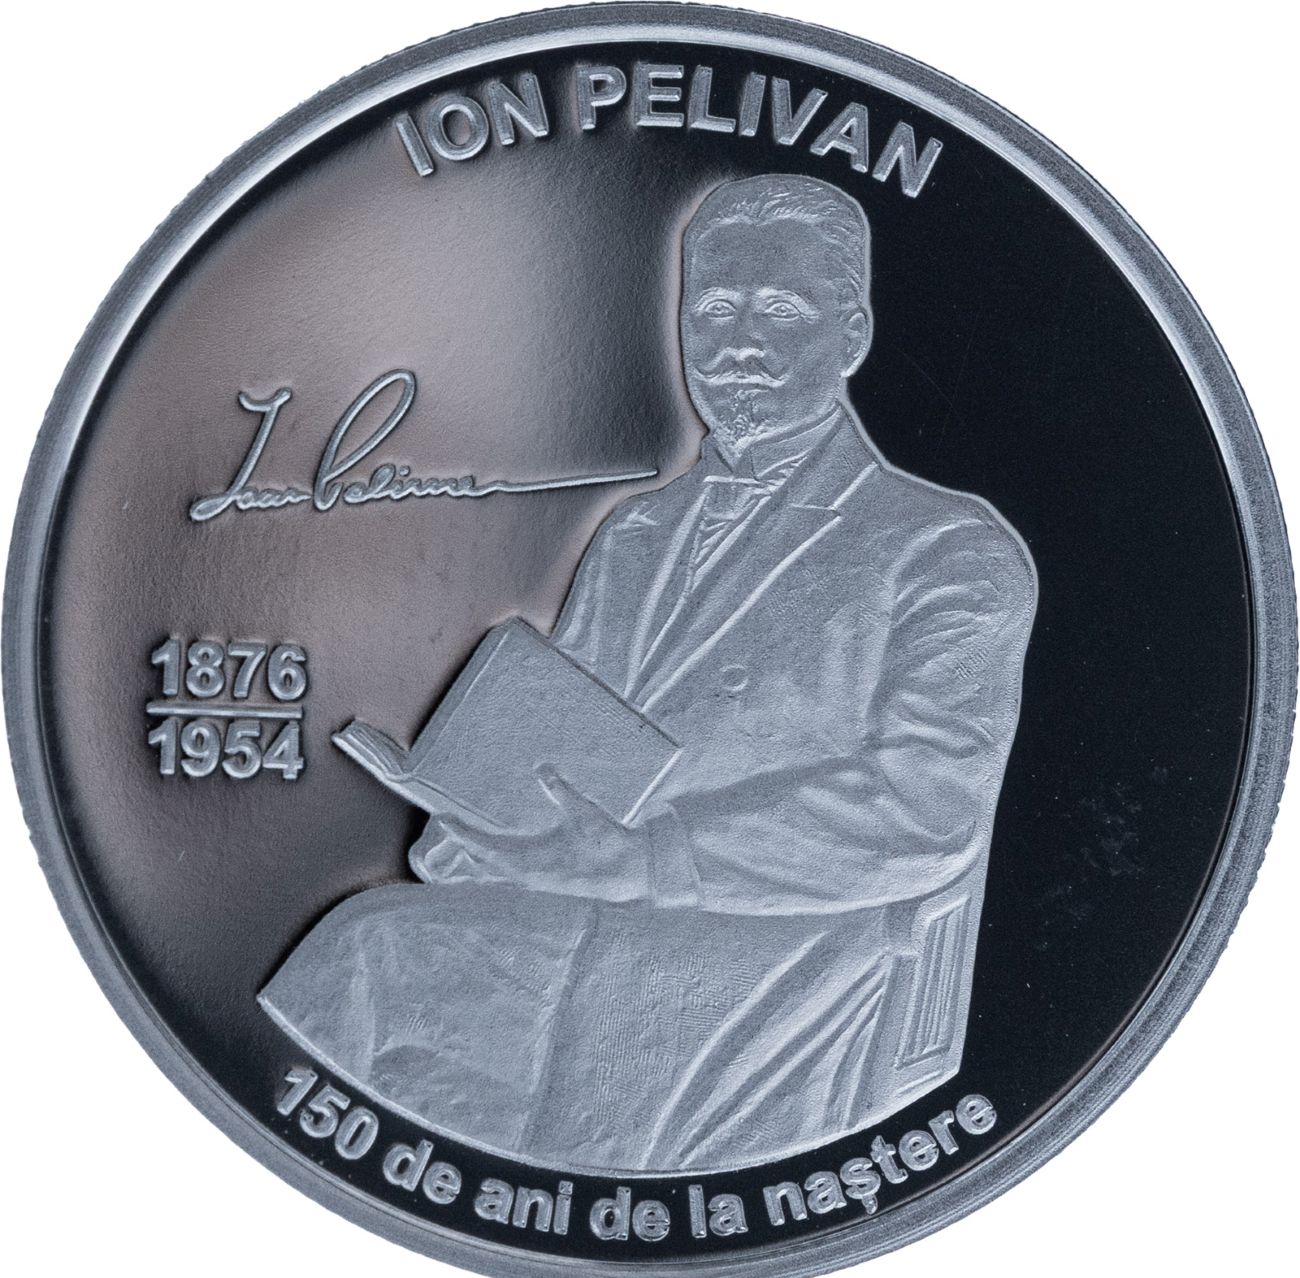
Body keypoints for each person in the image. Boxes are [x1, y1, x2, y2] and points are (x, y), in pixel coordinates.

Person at [261, 174, 1038, 1172]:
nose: (738, 342)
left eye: (780, 311)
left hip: (774, 953)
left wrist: (651, 859)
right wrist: (474, 814)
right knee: (358, 950)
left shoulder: (945, 549)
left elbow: (925, 808)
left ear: (852, 333)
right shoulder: (638, 532)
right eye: (712, 310)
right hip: (576, 916)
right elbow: (572, 727)